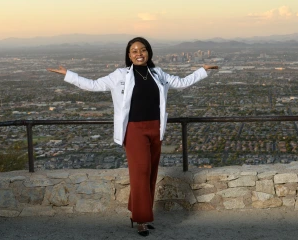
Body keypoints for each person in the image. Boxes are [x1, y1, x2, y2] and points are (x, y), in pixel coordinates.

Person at [47, 36, 218, 237]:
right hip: (133, 130)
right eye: (134, 51)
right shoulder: (119, 75)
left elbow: (181, 82)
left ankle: (137, 212)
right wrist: (68, 74)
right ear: (129, 55)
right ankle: (141, 219)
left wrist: (202, 71)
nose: (139, 54)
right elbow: (92, 85)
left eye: (143, 50)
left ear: (149, 53)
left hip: (155, 128)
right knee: (141, 173)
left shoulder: (157, 73)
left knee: (151, 173)